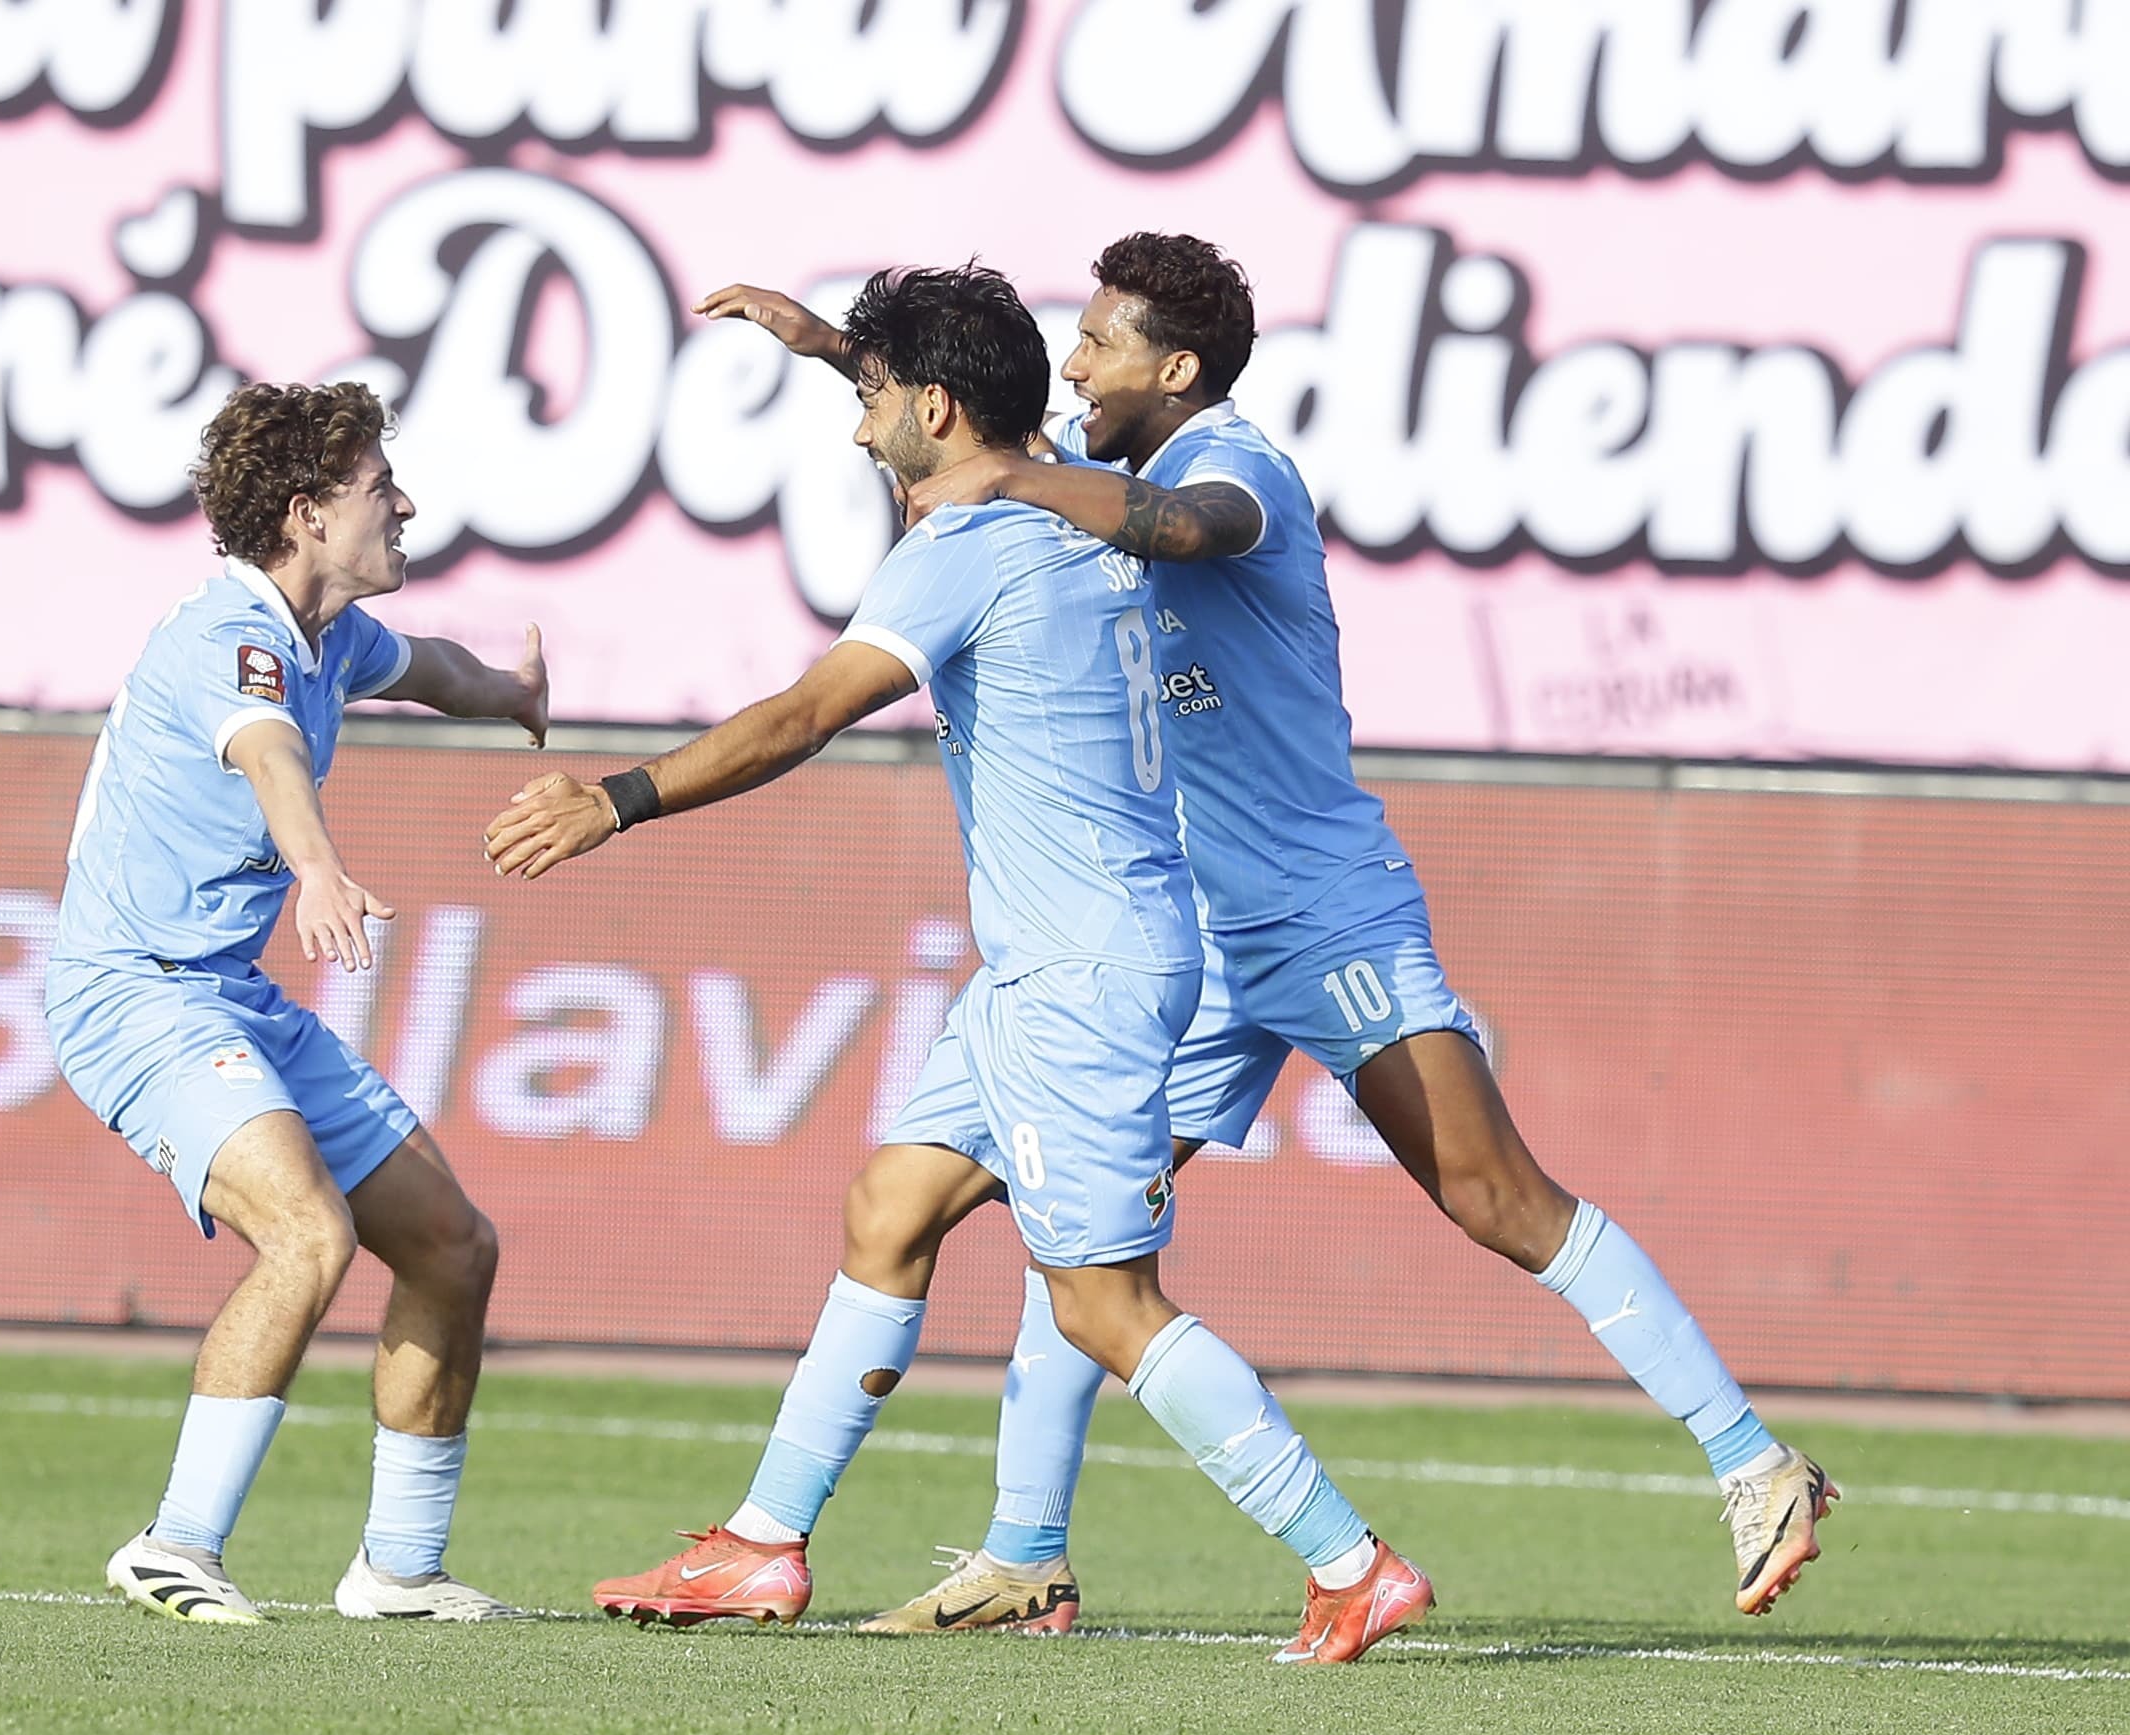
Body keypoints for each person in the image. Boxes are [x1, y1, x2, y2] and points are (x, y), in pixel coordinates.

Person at [698, 233, 1836, 1637]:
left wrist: (1007, 470)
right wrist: (837, 356)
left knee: (1495, 1198)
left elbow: (1192, 529)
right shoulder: (1091, 468)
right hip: (1196, 933)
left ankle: (1757, 1463)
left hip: (1319, 911)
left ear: (1174, 370)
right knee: (1087, 1246)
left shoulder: (1237, 468)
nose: (1076, 364)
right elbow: (979, 427)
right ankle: (1023, 1551)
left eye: (1102, 345)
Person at [487, 264, 1435, 1666]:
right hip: (1057, 962)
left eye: (874, 403)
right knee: (894, 1205)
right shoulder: (1059, 498)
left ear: (934, 404)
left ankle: (1349, 1564)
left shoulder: (967, 548)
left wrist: (619, 796)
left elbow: (810, 710)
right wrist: (835, 351)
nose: (859, 432)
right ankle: (760, 1544)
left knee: (1103, 1303)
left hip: (1083, 974)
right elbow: (971, 448)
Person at [48, 380, 548, 1625]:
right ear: (308, 513)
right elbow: (266, 749)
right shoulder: (235, 640)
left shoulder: (329, 633)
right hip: (135, 994)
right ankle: (175, 1544)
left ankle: (397, 1569)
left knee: (451, 1247)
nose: (408, 503)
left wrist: (511, 695)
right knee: (311, 1236)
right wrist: (318, 866)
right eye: (383, 488)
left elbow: (422, 665)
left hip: (229, 995)